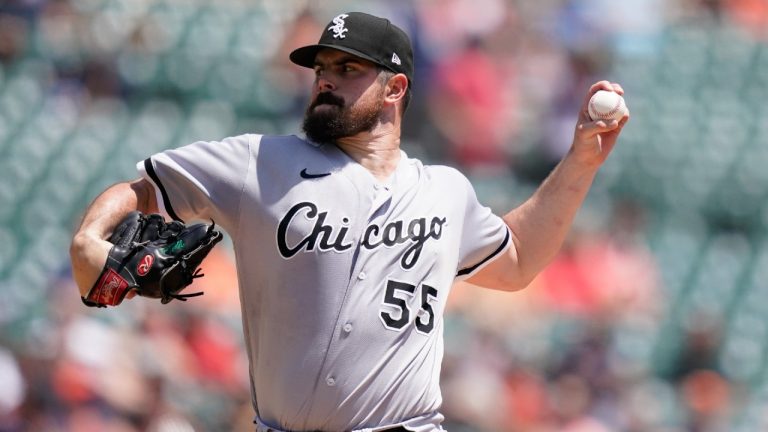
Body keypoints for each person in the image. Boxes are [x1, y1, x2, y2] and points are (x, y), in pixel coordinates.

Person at [69, 11, 629, 432]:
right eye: (322, 68)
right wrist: (89, 237)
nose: (326, 79)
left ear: (396, 87)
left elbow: (518, 261)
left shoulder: (444, 192)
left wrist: (581, 161)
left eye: (347, 67)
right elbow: (141, 189)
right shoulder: (260, 161)